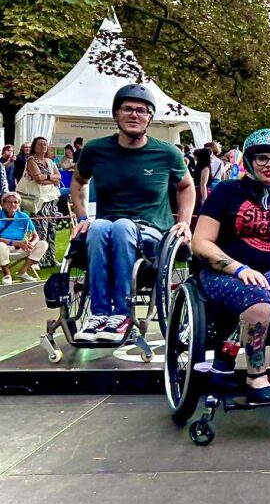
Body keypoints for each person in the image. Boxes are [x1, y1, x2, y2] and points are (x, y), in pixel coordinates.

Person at [190, 129, 270, 405]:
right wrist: (239, 269)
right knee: (258, 301)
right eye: (263, 158)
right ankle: (255, 376)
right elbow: (201, 242)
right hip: (225, 271)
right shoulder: (227, 192)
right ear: (250, 161)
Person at [70, 84, 195, 342]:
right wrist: (82, 218)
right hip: (108, 229)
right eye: (127, 109)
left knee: (121, 226)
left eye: (141, 110)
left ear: (150, 118)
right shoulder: (96, 150)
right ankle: (99, 314)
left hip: (150, 232)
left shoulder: (166, 153)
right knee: (100, 227)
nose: (134, 115)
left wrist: (183, 222)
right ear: (116, 115)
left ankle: (122, 313)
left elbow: (186, 187)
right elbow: (78, 182)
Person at [23, 137, 61, 268]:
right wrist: (51, 178)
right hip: (39, 200)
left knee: (52, 229)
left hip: (51, 199)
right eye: (40, 144)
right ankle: (37, 260)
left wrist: (47, 178)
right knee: (41, 229)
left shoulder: (49, 161)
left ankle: (50, 258)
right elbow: (38, 179)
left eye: (45, 144)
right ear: (35, 146)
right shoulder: (31, 160)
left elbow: (59, 177)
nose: (43, 146)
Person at [0, 191, 49, 283]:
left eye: (15, 202)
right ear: (3, 204)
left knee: (43, 244)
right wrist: (16, 243)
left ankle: (23, 272)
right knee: (1, 246)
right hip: (4, 247)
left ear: (19, 204)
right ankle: (7, 275)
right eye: (9, 202)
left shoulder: (23, 216)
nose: (12, 204)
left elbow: (35, 235)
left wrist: (31, 244)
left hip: (20, 247)